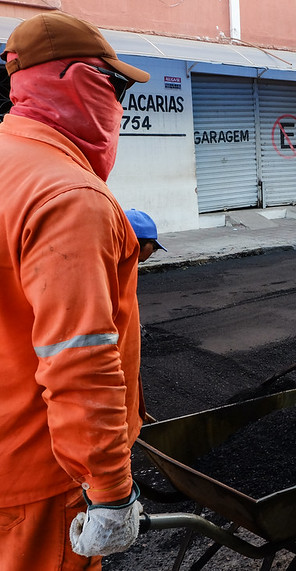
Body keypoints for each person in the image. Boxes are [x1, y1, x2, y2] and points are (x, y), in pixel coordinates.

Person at [0, 12, 150, 570]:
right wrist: (109, 487)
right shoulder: (67, 197)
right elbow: (79, 360)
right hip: (41, 478)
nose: (117, 103)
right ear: (81, 81)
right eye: (113, 87)